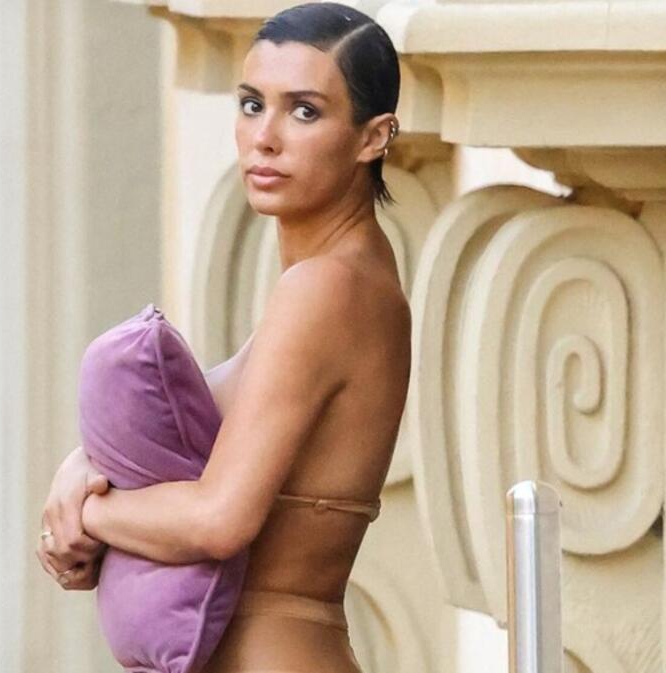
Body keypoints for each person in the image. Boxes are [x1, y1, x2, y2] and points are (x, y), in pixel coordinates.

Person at [36, 3, 409, 671]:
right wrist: (83, 467)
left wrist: (91, 516)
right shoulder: (341, 278)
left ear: (373, 137)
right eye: (251, 104)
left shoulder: (327, 287)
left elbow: (219, 519)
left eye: (304, 111)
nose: (264, 138)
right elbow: (191, 430)